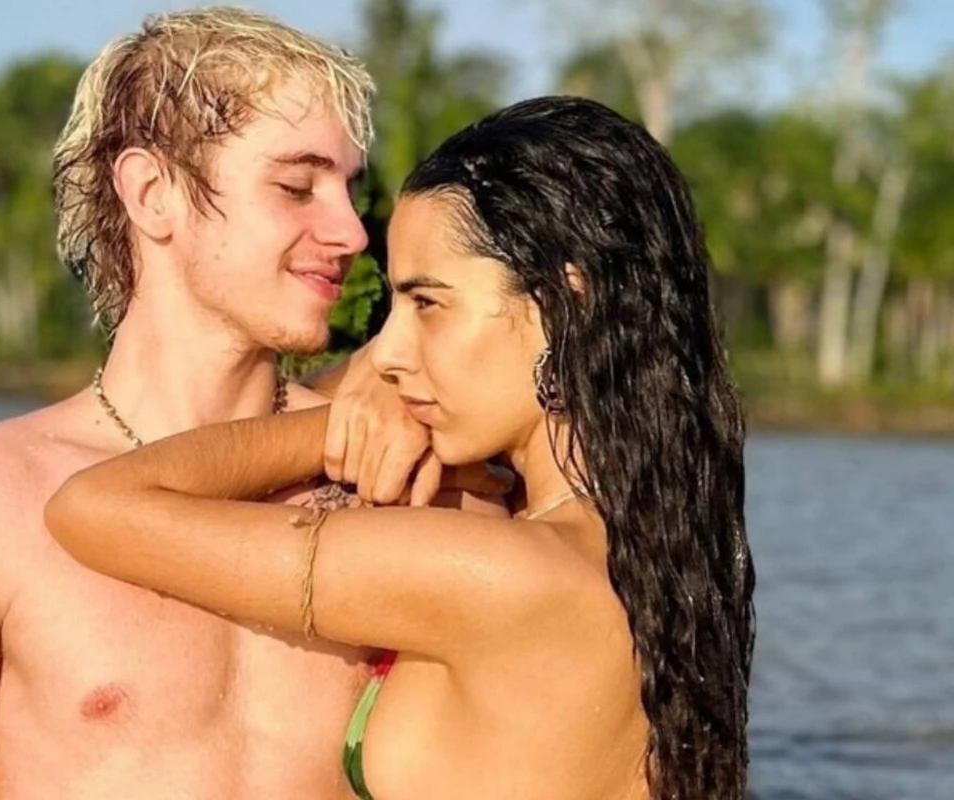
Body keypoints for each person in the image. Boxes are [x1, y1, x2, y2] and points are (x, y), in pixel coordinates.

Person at [44, 95, 757, 800]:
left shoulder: (500, 572)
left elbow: (95, 507)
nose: (384, 353)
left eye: (428, 304)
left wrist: (331, 427)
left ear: (564, 306)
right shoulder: (654, 550)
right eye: (391, 310)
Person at [0, 8, 403, 799]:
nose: (351, 231)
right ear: (152, 193)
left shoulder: (386, 479)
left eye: (350, 190)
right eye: (296, 187)